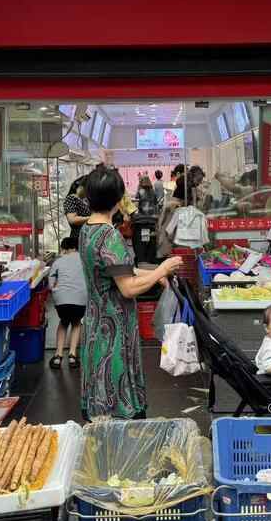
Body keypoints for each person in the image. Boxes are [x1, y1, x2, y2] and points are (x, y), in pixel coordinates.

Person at [78, 165, 182, 420]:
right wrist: (162, 269)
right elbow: (127, 288)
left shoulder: (87, 230)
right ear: (118, 200)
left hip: (94, 319)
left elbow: (119, 271)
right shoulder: (109, 236)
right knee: (116, 379)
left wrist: (153, 274)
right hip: (114, 324)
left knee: (98, 374)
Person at [48, 238, 87, 370]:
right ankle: (72, 355)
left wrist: (54, 290)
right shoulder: (84, 260)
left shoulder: (58, 261)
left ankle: (58, 356)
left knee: (64, 322)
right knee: (76, 323)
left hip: (62, 300)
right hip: (80, 299)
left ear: (64, 248)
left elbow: (51, 280)